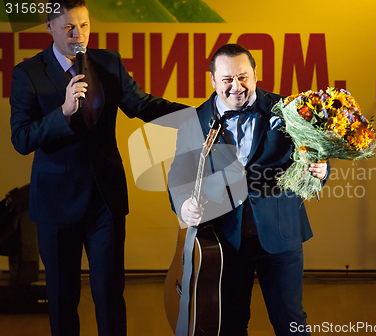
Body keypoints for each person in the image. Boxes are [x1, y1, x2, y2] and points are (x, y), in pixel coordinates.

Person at [9, 0, 187, 335]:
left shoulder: (108, 62)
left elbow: (142, 104)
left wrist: (197, 116)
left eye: (85, 26)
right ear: (50, 28)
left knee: (109, 295)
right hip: (56, 206)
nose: (80, 36)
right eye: (69, 28)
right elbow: (21, 138)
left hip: (105, 201)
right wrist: (61, 111)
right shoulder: (28, 72)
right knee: (63, 300)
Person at [167, 43, 329, 336]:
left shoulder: (289, 111)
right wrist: (183, 205)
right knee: (230, 324)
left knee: (291, 322)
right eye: (227, 79)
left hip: (281, 236)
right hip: (224, 241)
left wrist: (321, 170)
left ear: (255, 74)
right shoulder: (194, 121)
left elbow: (313, 156)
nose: (236, 86)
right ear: (214, 81)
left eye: (243, 77)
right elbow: (179, 175)